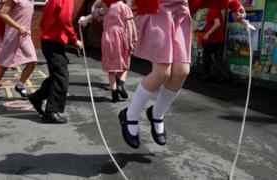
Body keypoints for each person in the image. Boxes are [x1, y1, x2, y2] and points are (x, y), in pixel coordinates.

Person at [118, 0, 246, 149]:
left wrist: (233, 4)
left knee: (182, 72)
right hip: (158, 12)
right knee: (162, 72)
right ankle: (130, 115)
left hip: (180, 16)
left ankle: (157, 113)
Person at [28, 0, 83, 123]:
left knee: (56, 76)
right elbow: (65, 20)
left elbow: (43, 23)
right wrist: (74, 40)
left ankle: (37, 97)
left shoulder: (50, 1)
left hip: (48, 42)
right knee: (61, 77)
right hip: (54, 43)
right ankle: (51, 112)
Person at [80, 0, 137, 102]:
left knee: (112, 68)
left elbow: (96, 16)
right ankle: (120, 85)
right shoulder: (125, 7)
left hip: (107, 37)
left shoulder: (105, 8)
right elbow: (129, 24)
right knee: (125, 65)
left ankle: (114, 94)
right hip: (121, 37)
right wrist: (130, 42)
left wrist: (87, 17)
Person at [0, 0, 37, 103]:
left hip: (26, 34)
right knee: (5, 64)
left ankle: (20, 85)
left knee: (32, 61)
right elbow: (2, 14)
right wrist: (18, 27)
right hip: (13, 34)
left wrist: (23, 29)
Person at [199, 8, 230, 82]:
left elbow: (217, 24)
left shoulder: (213, 11)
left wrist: (207, 34)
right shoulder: (216, 10)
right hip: (217, 39)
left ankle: (206, 75)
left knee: (206, 57)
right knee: (218, 58)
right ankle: (225, 76)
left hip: (212, 39)